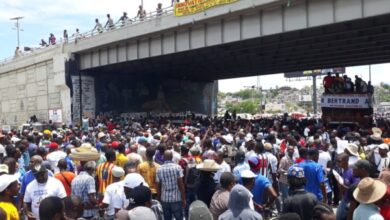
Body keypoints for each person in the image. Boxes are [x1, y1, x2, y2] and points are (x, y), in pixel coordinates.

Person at [156, 150, 186, 220]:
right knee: (179, 217)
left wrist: (159, 198)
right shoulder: (177, 167)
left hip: (164, 199)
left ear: (163, 157)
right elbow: (181, 184)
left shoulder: (159, 169)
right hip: (176, 198)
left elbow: (158, 186)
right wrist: (183, 198)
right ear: (172, 157)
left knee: (167, 218)